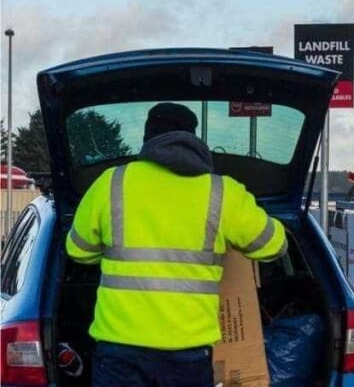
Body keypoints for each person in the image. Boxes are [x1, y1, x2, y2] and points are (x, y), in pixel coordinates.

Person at [66, 102, 288, 387]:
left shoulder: (112, 183)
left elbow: (77, 250)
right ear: (193, 138)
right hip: (188, 355)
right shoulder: (223, 192)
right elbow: (275, 246)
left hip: (120, 350)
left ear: (146, 138)